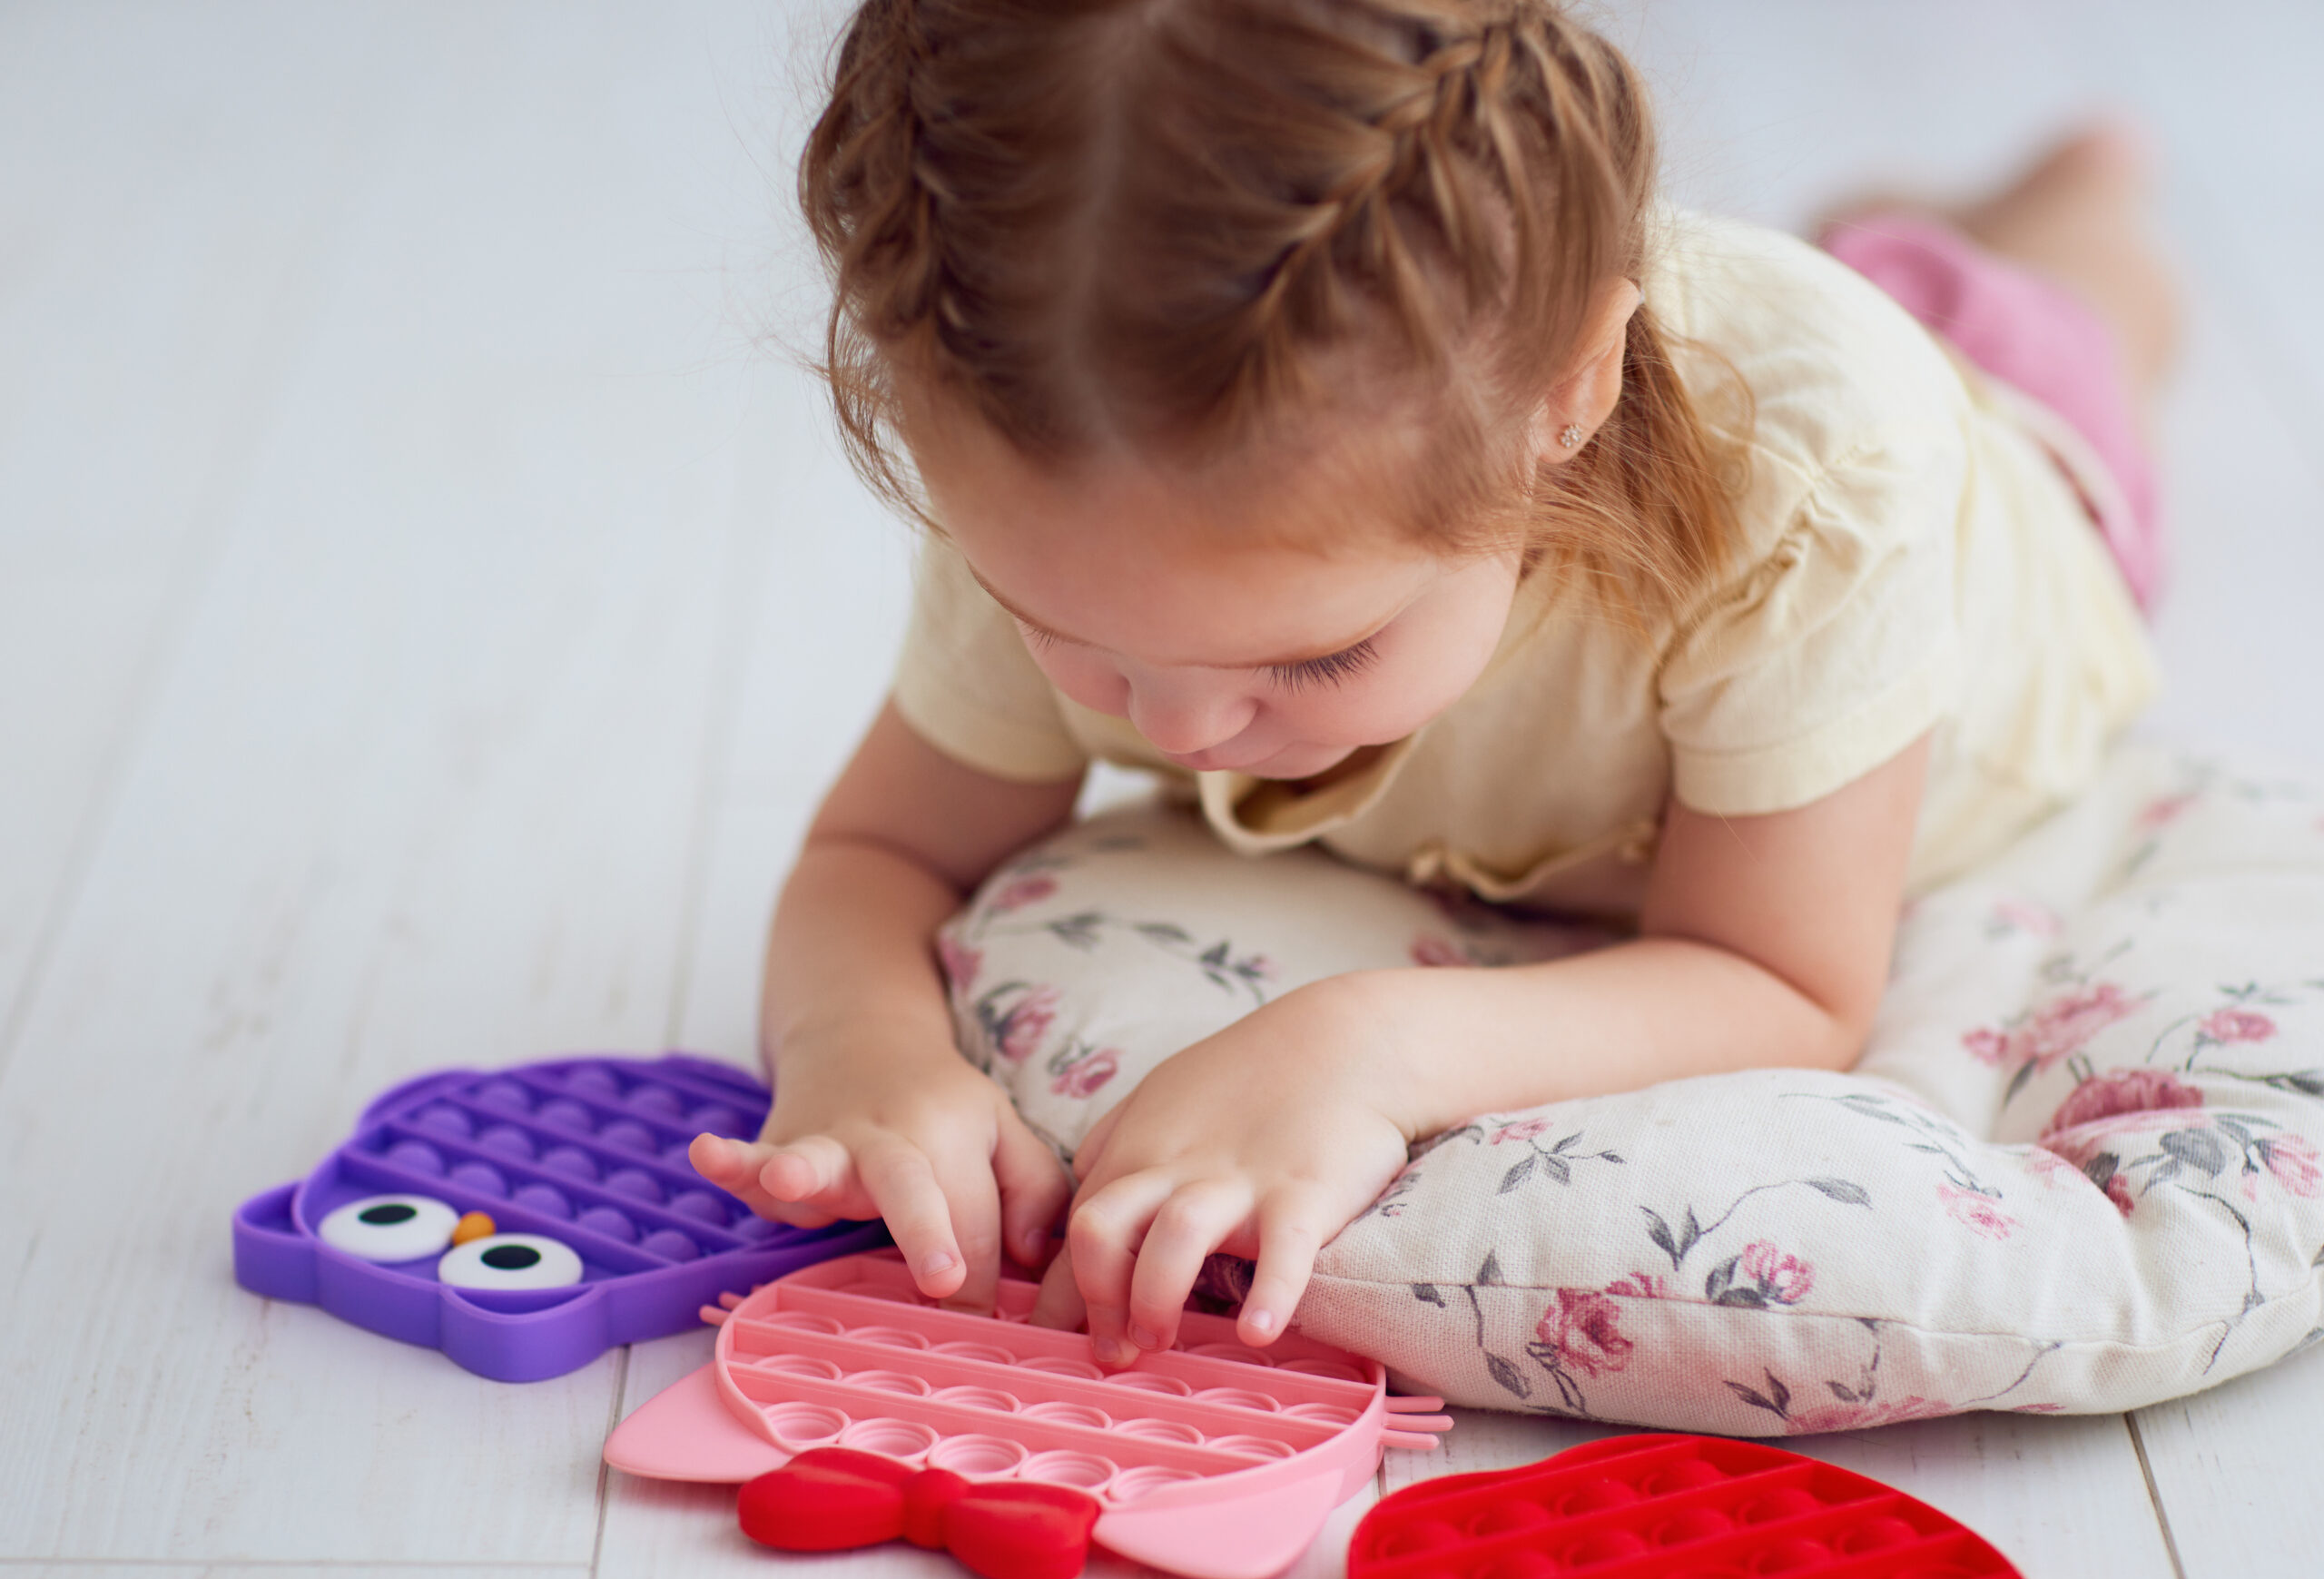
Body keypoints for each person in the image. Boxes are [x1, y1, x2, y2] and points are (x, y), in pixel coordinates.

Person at [689, 0, 2174, 1372]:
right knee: (1880, 267)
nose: (1178, 729)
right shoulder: (1070, 456)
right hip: (1651, 336)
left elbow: (1785, 978)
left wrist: (1360, 1048)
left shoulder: (1823, 473)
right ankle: (1894, 238)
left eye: (1316, 656)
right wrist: (861, 1044)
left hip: (2024, 515)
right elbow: (877, 854)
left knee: (2056, 327)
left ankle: (2073, 192)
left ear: (1569, 398)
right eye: (1060, 630)